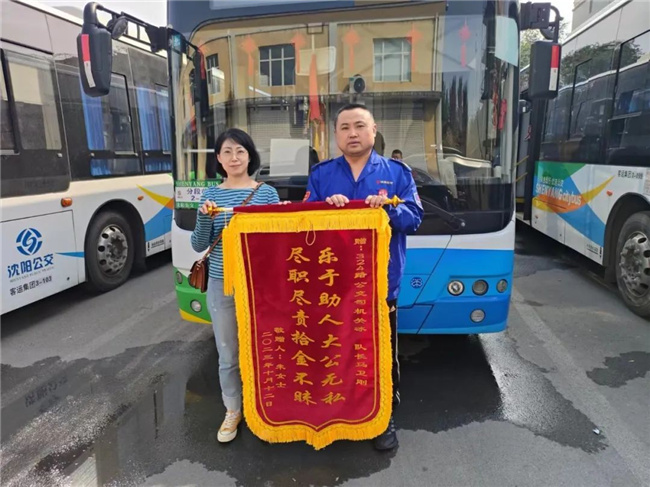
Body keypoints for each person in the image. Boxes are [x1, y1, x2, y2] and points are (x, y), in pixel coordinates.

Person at [305, 104, 423, 451]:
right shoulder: (322, 175)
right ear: (336, 135)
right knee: (335, 350)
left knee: (381, 352)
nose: (352, 133)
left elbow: (414, 218)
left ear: (374, 130)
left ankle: (383, 417)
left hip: (380, 283)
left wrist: (389, 209)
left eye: (359, 126)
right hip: (333, 284)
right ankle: (341, 412)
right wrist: (324, 208)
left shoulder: (396, 172)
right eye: (344, 127)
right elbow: (303, 223)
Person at [191, 128, 281, 443]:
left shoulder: (267, 194)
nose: (234, 157)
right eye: (227, 151)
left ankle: (264, 406)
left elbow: (278, 243)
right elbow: (198, 244)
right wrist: (204, 217)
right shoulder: (211, 197)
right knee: (228, 352)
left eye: (240, 151)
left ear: (249, 155)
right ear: (218, 158)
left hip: (260, 286)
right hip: (222, 285)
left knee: (264, 347)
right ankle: (233, 409)